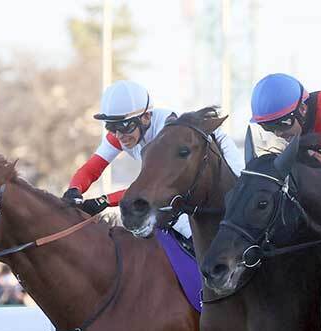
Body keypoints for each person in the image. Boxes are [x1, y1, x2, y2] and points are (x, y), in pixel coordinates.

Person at [62, 80, 244, 240]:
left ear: (146, 117)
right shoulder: (121, 135)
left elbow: (154, 186)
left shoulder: (166, 132)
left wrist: (104, 200)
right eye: (111, 127)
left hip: (220, 160)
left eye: (125, 126)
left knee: (183, 224)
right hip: (181, 180)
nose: (119, 135)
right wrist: (74, 190)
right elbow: (91, 169)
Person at [249, 73, 321, 155]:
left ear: (302, 109)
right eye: (267, 127)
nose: (278, 134)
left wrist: (314, 156)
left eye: (282, 123)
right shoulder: (299, 125)